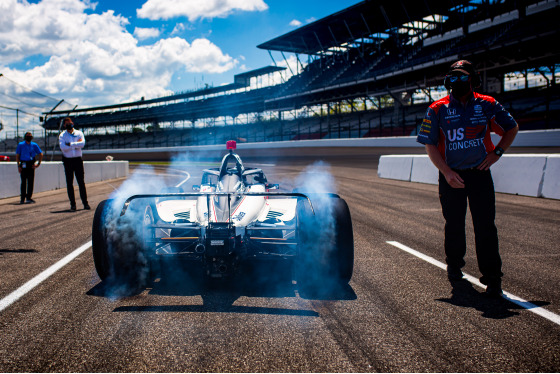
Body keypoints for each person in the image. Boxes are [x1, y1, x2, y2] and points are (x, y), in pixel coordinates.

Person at [417, 60, 519, 297]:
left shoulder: (488, 104)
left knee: (485, 227)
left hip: (480, 174)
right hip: (451, 177)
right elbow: (430, 145)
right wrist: (446, 172)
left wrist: (496, 154)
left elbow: (511, 128)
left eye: (463, 77)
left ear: (473, 79)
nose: (457, 81)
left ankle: (493, 278)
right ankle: (454, 268)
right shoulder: (437, 108)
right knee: (454, 225)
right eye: (453, 77)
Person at [59, 117, 90, 211]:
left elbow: (83, 144)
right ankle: (73, 204)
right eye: (67, 123)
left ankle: (85, 203)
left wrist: (70, 144)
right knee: (69, 183)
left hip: (78, 160)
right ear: (64, 125)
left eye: (70, 123)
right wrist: (76, 144)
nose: (69, 125)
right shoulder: (62, 135)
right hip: (67, 161)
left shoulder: (79, 133)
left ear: (72, 123)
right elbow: (63, 147)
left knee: (81, 182)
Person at [15, 132, 43, 204]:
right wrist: (18, 165)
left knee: (30, 182)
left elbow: (40, 153)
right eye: (27, 136)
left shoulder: (34, 145)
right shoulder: (21, 145)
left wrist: (38, 163)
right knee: (23, 182)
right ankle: (22, 198)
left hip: (31, 164)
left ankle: (29, 197)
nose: (29, 137)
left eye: (30, 136)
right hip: (23, 164)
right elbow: (17, 156)